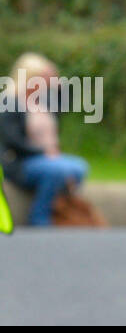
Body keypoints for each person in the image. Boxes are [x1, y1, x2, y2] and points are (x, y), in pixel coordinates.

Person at [0, 53, 90, 226]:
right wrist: (42, 152)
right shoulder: (10, 101)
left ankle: (56, 206)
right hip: (21, 161)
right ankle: (39, 217)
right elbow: (11, 140)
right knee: (57, 171)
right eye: (42, 77)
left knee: (79, 167)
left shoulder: (43, 100)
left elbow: (66, 105)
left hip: (48, 159)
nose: (45, 81)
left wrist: (58, 83)